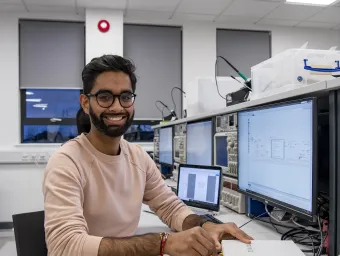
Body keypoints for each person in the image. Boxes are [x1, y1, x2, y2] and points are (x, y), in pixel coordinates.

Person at [42, 55, 253, 256]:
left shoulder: (137, 157)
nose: (117, 106)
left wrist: (206, 226)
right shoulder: (66, 162)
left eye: (125, 97)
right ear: (86, 103)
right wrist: (164, 243)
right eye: (104, 97)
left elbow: (170, 207)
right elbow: (65, 247)